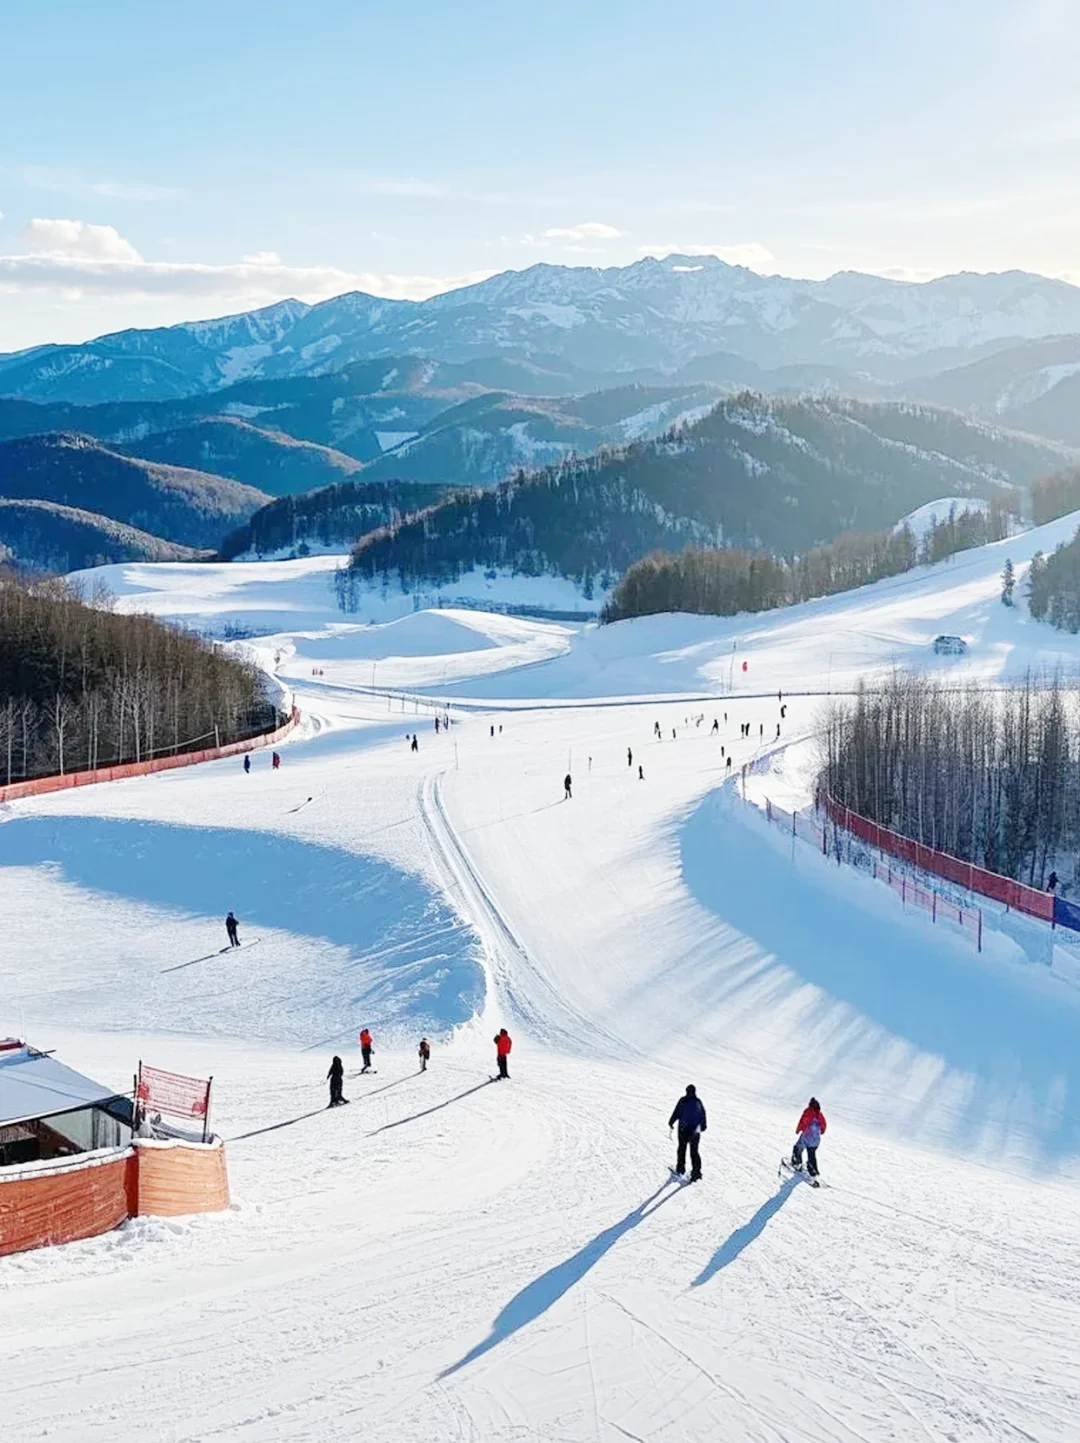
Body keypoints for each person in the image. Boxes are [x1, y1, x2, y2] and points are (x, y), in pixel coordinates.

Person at [668, 1084, 706, 1180]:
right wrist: (703, 1126)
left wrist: (671, 1122)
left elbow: (677, 1112)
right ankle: (696, 1173)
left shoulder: (683, 1100)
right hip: (695, 1131)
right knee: (694, 1151)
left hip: (683, 1129)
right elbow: (703, 1114)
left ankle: (680, 1169)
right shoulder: (698, 1101)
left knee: (682, 1148)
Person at [791, 1097, 826, 1178]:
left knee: (797, 1147)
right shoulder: (820, 1115)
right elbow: (823, 1126)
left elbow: (803, 1121)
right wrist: (821, 1132)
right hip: (816, 1139)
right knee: (811, 1154)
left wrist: (798, 1130)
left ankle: (797, 1163)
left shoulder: (808, 1111)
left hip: (807, 1136)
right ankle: (814, 1172)